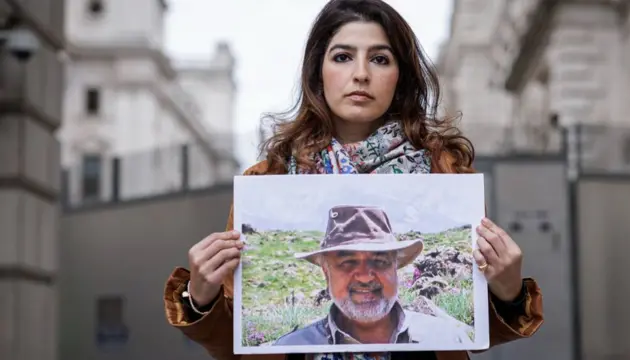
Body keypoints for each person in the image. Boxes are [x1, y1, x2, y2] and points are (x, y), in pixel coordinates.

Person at [163, 1, 544, 360]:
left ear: (401, 75)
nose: (361, 73)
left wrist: (507, 292)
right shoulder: (268, 182)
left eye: (379, 58)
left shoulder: (446, 176)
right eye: (343, 57)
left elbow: (467, 337)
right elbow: (241, 346)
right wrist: (200, 297)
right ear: (318, 72)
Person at [272, 204, 474, 346]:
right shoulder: (293, 347)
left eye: (379, 261)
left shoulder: (445, 338)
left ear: (396, 268)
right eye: (348, 262)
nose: (365, 277)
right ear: (326, 273)